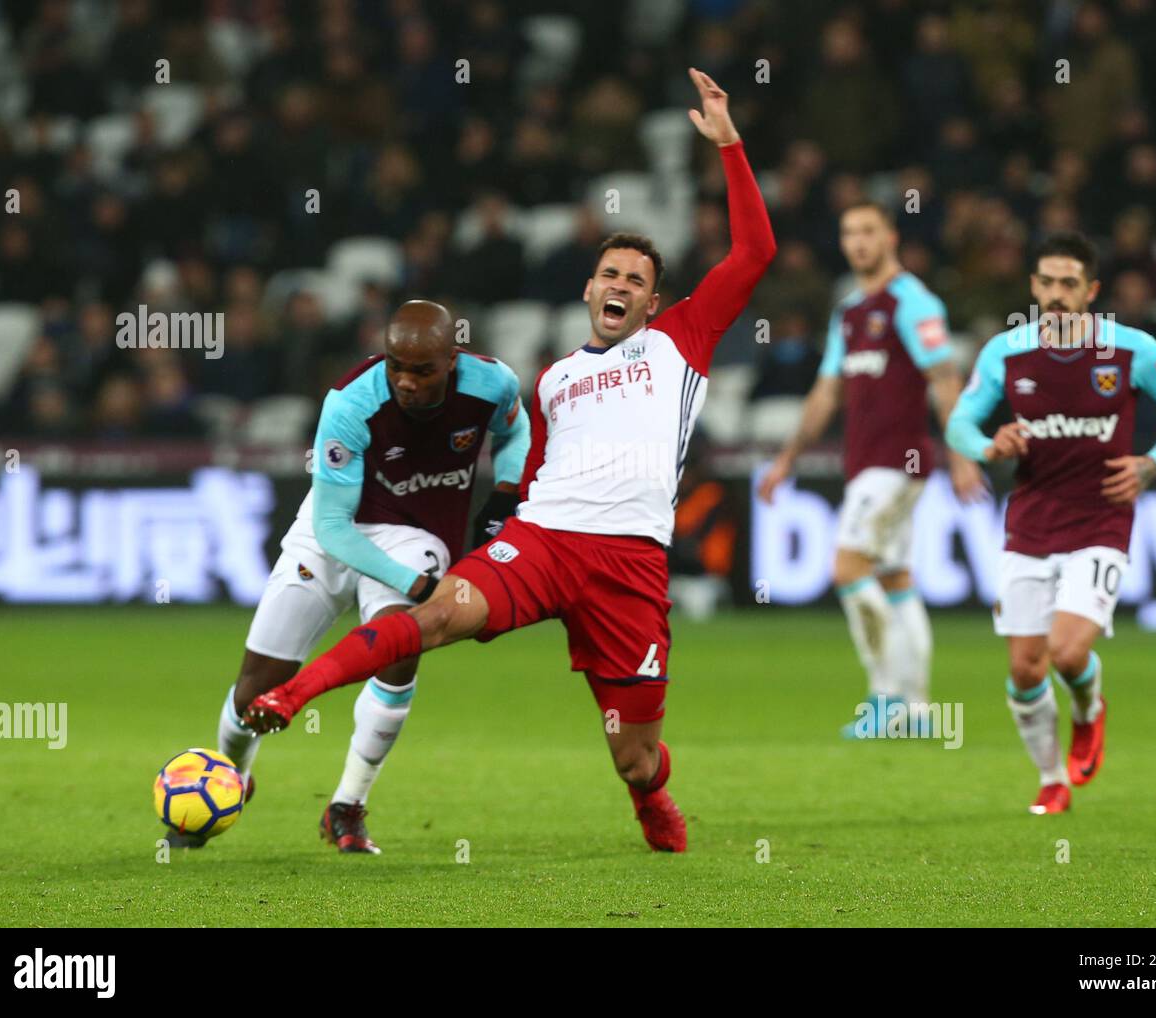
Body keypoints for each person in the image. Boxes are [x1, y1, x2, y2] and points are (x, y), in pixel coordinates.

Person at [239, 68, 776, 854]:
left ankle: (650, 796)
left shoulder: (680, 342)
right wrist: (504, 516)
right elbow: (534, 468)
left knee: (634, 755)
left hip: (630, 561)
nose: (622, 284)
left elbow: (756, 251)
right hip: (547, 542)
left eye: (638, 279)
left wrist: (729, 146)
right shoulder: (552, 379)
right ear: (591, 289)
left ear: (654, 303)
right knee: (434, 617)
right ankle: (293, 694)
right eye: (611, 274)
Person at [202, 300, 526, 853]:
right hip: (335, 529)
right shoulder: (351, 402)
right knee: (259, 685)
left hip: (415, 535)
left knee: (399, 653)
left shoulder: (492, 383)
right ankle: (231, 774)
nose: (404, 380)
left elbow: (516, 431)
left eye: (421, 369)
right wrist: (420, 586)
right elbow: (332, 526)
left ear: (453, 359)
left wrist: (504, 494)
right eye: (396, 364)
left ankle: (347, 805)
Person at [946, 231, 1156, 814]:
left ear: (1091, 290)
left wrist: (1152, 461)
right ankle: (1051, 778)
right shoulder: (1004, 354)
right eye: (1046, 283)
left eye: (1068, 284)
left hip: (1101, 518)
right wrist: (989, 445)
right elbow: (960, 423)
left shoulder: (1129, 349)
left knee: (1065, 653)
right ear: (1032, 286)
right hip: (1031, 521)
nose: (1056, 295)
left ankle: (1089, 711)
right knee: (1022, 666)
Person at [757, 201, 986, 738]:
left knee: (846, 569)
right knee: (896, 579)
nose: (858, 242)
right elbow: (827, 390)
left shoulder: (913, 302)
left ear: (890, 237)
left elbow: (945, 378)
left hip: (897, 464)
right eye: (848, 233)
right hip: (865, 464)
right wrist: (788, 458)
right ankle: (920, 709)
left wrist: (960, 455)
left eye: (868, 231)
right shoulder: (851, 311)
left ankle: (886, 701)